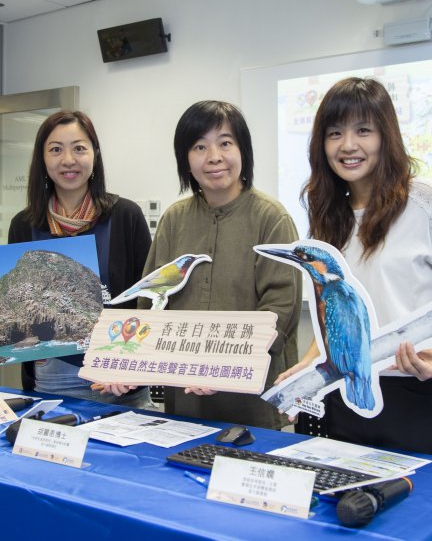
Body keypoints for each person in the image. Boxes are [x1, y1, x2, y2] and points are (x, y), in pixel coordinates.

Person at [278, 77, 432, 458]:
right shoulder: (328, 216)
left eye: (363, 131)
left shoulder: (428, 200)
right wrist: (309, 365)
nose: (348, 145)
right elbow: (335, 311)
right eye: (334, 133)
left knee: (428, 509)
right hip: (349, 391)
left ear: (385, 136)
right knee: (348, 504)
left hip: (418, 388)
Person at [0, 110, 153, 409]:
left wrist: (135, 364)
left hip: (120, 382)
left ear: (95, 154)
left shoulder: (125, 216)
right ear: (42, 159)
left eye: (79, 148)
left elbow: (148, 301)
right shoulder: (24, 224)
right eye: (55, 150)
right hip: (51, 380)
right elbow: (15, 308)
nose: (68, 160)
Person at [105, 100, 302, 429]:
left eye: (225, 143)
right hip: (184, 397)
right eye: (199, 146)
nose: (214, 157)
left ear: (243, 150)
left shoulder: (272, 217)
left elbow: (280, 307)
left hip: (252, 395)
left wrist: (223, 363)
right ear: (186, 159)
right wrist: (128, 361)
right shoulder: (174, 219)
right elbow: (150, 302)